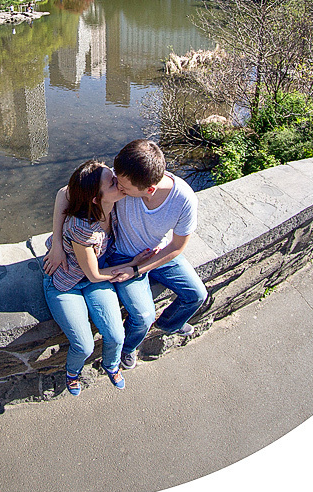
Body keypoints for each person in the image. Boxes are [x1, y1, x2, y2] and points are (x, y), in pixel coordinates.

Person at [44, 139, 209, 371]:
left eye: (124, 187)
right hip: (121, 255)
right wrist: (57, 244)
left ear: (149, 189)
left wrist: (138, 269)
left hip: (156, 253)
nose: (119, 188)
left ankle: (170, 324)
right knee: (142, 316)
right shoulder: (121, 179)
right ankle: (129, 348)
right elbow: (65, 193)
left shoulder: (184, 200)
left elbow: (177, 247)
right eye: (116, 183)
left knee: (197, 295)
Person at [43, 160, 130, 395]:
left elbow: (65, 190)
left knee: (116, 335)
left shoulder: (115, 200)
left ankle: (111, 365)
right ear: (94, 198)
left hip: (93, 278)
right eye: (112, 182)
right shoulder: (84, 228)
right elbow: (94, 275)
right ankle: (72, 372)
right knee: (83, 345)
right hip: (66, 282)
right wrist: (134, 266)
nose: (119, 183)